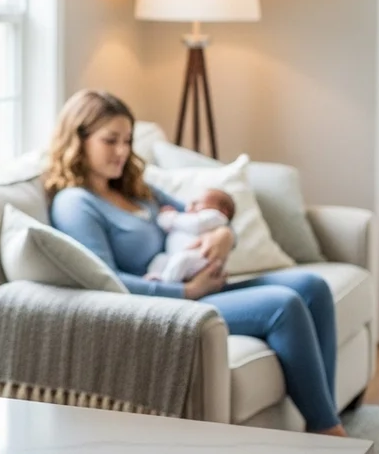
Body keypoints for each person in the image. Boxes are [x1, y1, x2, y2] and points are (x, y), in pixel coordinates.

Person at [45, 89, 344, 436]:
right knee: (284, 306)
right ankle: (329, 433)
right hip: (168, 305)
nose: (122, 151)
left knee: (313, 287)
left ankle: (322, 418)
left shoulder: (135, 188)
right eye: (110, 140)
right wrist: (185, 291)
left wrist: (225, 235)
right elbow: (105, 280)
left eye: (127, 140)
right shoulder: (75, 203)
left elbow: (201, 216)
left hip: (204, 288)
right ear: (78, 139)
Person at [146, 188, 235, 283]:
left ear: (223, 211)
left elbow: (197, 224)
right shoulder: (186, 218)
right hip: (174, 256)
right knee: (160, 259)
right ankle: (155, 278)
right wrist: (165, 218)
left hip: (201, 258)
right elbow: (165, 224)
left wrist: (172, 217)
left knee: (182, 259)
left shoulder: (216, 217)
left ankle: (167, 284)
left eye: (199, 202)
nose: (191, 204)